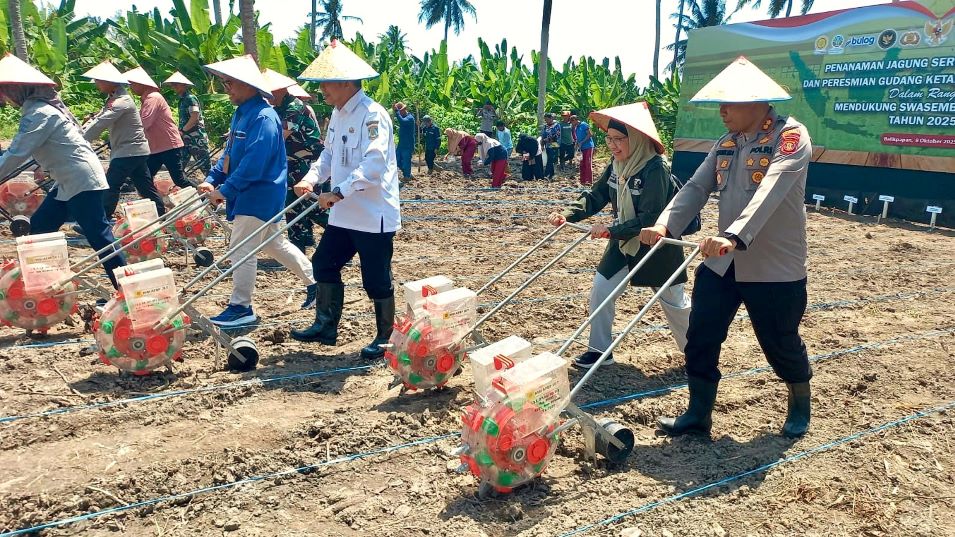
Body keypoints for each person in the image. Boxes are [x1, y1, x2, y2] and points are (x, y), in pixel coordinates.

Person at [639, 56, 813, 439]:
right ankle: (698, 413)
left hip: (772, 267)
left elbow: (772, 188)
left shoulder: (790, 137)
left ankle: (800, 401)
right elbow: (697, 187)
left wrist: (733, 235)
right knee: (701, 334)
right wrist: (666, 223)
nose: (721, 112)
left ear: (756, 101)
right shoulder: (728, 143)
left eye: (727, 103)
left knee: (779, 340)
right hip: (722, 263)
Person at [548, 103, 690, 369]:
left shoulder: (655, 169)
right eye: (608, 139)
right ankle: (600, 350)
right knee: (602, 289)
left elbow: (651, 217)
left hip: (657, 244)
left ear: (636, 140)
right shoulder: (617, 165)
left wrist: (611, 230)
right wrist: (568, 214)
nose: (612, 145)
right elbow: (597, 195)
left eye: (618, 140)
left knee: (674, 301)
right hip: (623, 241)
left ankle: (696, 352)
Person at [290, 40, 401, 360]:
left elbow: (375, 165)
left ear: (346, 83)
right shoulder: (338, 115)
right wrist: (311, 178)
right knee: (323, 263)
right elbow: (328, 154)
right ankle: (326, 326)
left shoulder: (372, 115)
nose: (321, 89)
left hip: (371, 213)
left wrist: (337, 192)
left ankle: (385, 337)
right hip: (343, 212)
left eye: (326, 82)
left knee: (376, 278)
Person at [198, 55, 316, 329]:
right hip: (251, 194)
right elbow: (229, 154)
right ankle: (316, 282)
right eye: (224, 82)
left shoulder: (264, 118)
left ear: (248, 85)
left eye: (230, 83)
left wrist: (225, 190)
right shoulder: (241, 114)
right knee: (276, 244)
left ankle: (241, 307)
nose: (226, 88)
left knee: (241, 250)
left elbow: (254, 162)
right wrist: (212, 179)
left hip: (259, 194)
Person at [0, 54, 125, 287]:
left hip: (80, 180)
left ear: (18, 90)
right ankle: (40, 286)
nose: (5, 98)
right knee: (38, 230)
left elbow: (17, 153)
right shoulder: (37, 111)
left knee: (100, 237)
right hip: (67, 181)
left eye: (5, 91)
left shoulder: (39, 114)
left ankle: (129, 290)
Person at [81, 61, 164, 217]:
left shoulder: (121, 101)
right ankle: (161, 214)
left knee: (111, 185)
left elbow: (101, 123)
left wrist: (80, 139)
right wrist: (82, 128)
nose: (97, 84)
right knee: (145, 187)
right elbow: (98, 118)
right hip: (133, 150)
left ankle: (101, 220)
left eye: (99, 81)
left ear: (109, 82)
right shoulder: (113, 99)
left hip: (129, 151)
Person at [264, 68, 326, 256]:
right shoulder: (279, 109)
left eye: (268, 92)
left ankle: (344, 236)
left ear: (279, 90)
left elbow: (278, 138)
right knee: (292, 208)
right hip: (291, 165)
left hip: (306, 165)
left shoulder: (295, 108)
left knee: (313, 207)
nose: (266, 96)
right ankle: (298, 250)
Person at [125, 67, 191, 193]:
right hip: (157, 147)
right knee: (146, 178)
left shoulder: (153, 98)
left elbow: (144, 122)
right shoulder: (147, 99)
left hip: (168, 146)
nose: (131, 89)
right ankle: (156, 204)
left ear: (140, 84)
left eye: (132, 85)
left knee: (179, 180)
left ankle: (206, 198)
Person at [164, 71, 212, 176]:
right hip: (185, 138)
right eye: (173, 85)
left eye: (176, 84)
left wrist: (182, 130)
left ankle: (217, 189)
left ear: (183, 85)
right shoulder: (182, 100)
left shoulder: (190, 98)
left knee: (206, 167)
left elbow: (195, 116)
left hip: (196, 138)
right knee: (179, 167)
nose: (174, 87)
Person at [393, 102, 416, 180]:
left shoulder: (410, 118)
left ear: (404, 110)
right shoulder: (403, 117)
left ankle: (407, 176)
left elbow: (402, 122)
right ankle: (408, 173)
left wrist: (397, 112)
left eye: (400, 111)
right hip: (401, 144)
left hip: (408, 145)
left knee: (406, 161)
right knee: (397, 160)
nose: (399, 113)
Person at [571, 113, 595, 185]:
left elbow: (590, 134)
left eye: (572, 122)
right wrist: (576, 144)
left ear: (575, 120)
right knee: (582, 164)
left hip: (588, 146)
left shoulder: (584, 125)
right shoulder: (576, 127)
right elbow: (577, 138)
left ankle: (589, 181)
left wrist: (582, 142)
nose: (572, 124)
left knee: (588, 163)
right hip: (581, 148)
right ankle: (583, 181)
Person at [540, 112, 561, 180]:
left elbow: (557, 135)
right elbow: (543, 135)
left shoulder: (556, 125)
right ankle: (551, 174)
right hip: (547, 145)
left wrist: (549, 139)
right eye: (545, 120)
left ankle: (546, 174)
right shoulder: (545, 126)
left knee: (550, 159)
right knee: (550, 159)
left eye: (547, 119)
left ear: (551, 118)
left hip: (554, 144)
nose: (546, 121)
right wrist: (542, 144)